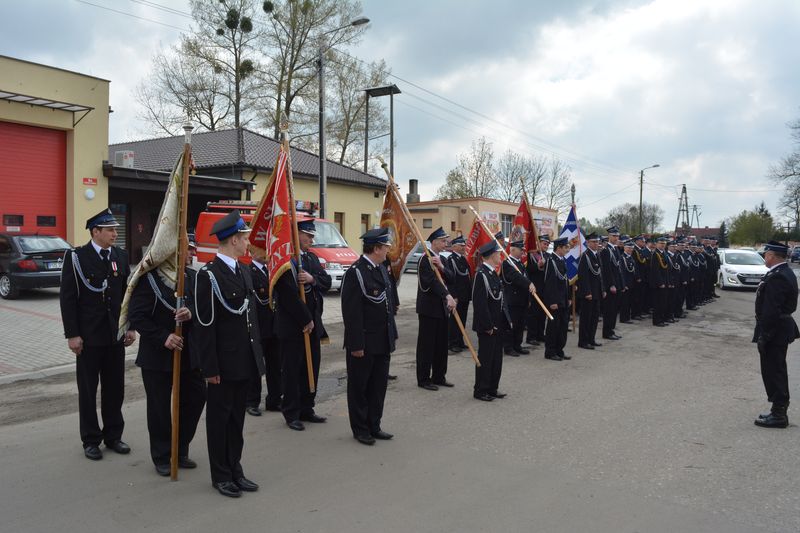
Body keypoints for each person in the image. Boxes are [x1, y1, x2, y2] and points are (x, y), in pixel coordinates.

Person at [192, 209, 265, 498]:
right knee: (219, 420)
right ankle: (220, 474)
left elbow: (251, 320)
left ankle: (235, 468)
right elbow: (204, 329)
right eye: (245, 239)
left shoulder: (244, 270)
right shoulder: (208, 276)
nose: (248, 244)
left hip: (244, 361)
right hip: (222, 364)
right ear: (234, 240)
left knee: (237, 419)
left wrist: (257, 356)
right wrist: (209, 369)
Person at [59, 208, 136, 461]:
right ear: (96, 232)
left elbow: (127, 294)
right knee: (89, 389)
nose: (116, 233)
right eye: (111, 229)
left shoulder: (121, 256)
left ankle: (113, 435)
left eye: (115, 229)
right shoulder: (77, 257)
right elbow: (68, 299)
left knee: (115, 389)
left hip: (115, 335)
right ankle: (91, 439)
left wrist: (130, 326)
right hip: (89, 337)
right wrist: (72, 334)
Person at [129, 236, 205, 476]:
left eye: (191, 250)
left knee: (195, 398)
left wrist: (191, 312)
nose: (191, 254)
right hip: (157, 355)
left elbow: (202, 308)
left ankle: (180, 448)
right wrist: (164, 337)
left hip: (188, 353)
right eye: (186, 250)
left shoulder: (192, 277)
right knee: (160, 408)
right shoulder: (149, 279)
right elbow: (138, 315)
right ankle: (162, 455)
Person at [341, 228, 398, 445]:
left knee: (378, 386)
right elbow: (351, 313)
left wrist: (392, 335)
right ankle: (360, 429)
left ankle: (375, 424)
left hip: (382, 340)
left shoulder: (381, 269)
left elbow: (387, 305)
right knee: (359, 387)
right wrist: (356, 344)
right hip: (364, 341)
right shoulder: (356, 272)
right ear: (376, 249)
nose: (387, 251)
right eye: (385, 247)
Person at [274, 219, 332, 430]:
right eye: (307, 235)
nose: (310, 239)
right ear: (296, 234)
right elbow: (288, 295)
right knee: (292, 370)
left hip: (313, 324)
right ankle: (291, 412)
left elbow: (326, 282)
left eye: (312, 235)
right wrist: (304, 319)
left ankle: (307, 407)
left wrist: (311, 279)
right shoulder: (285, 260)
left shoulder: (311, 258)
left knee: (311, 368)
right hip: (293, 326)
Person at [753, 241, 800, 428]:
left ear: (772, 256)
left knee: (774, 371)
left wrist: (765, 335)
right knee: (775, 369)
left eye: (766, 255)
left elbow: (772, 310)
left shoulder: (778, 276)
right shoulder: (780, 273)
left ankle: (779, 414)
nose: (765, 257)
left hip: (775, 330)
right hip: (778, 328)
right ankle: (777, 411)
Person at [415, 227, 457, 390]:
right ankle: (424, 379)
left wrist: (441, 267)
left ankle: (439, 376)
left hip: (442, 309)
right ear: (433, 242)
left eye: (446, 240)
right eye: (442, 240)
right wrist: (447, 295)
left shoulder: (442, 260)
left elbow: (452, 278)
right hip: (429, 308)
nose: (445, 243)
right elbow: (430, 283)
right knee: (427, 345)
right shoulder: (425, 259)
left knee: (441, 344)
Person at [245, 245, 282, 416]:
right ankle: (252, 401)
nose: (267, 253)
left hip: (274, 326)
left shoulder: (272, 271)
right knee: (254, 366)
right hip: (258, 326)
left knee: (275, 365)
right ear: (252, 252)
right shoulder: (249, 272)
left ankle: (274, 400)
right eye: (261, 249)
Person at [472, 240, 509, 401]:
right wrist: (488, 325)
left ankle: (493, 387)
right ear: (492, 255)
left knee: (496, 359)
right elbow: (480, 304)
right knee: (486, 359)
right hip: (488, 325)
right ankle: (481, 390)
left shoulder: (493, 273)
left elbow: (500, 300)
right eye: (498, 253)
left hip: (498, 324)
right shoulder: (481, 275)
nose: (500, 256)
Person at [502, 240, 538, 356]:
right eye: (520, 249)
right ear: (512, 250)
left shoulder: (521, 264)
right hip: (512, 300)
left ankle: (517, 345)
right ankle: (509, 347)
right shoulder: (507, 263)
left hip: (522, 300)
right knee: (512, 324)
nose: (523, 251)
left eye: (523, 249)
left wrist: (528, 298)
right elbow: (515, 277)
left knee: (520, 325)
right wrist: (529, 283)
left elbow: (524, 277)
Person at [542, 237, 571, 361]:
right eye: (565, 247)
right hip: (555, 301)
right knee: (553, 327)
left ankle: (560, 350)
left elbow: (565, 281)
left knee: (563, 326)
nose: (567, 250)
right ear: (559, 248)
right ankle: (550, 351)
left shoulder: (562, 260)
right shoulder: (551, 261)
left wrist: (568, 297)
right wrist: (552, 301)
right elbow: (549, 284)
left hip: (563, 299)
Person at [577, 233, 604, 349]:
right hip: (588, 293)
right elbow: (583, 276)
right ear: (587, 243)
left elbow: (599, 275)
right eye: (593, 242)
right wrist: (587, 292)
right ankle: (583, 341)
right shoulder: (585, 256)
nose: (596, 244)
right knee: (586, 319)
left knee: (594, 318)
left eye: (597, 242)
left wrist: (602, 289)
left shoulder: (596, 255)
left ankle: (591, 339)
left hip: (596, 292)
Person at [445, 236, 472, 353]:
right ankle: (452, 343)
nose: (463, 247)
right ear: (454, 246)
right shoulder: (451, 260)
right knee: (454, 321)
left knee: (463, 319)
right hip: (457, 296)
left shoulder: (462, 259)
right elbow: (450, 280)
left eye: (464, 245)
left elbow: (467, 277)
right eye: (461, 245)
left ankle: (460, 341)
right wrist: (453, 295)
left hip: (464, 295)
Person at [599, 226, 624, 340]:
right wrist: (611, 285)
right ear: (609, 236)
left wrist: (621, 284)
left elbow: (619, 269)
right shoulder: (606, 251)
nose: (616, 238)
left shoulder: (616, 249)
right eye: (614, 236)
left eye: (617, 236)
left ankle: (611, 330)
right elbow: (607, 270)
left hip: (617, 283)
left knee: (614, 310)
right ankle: (607, 332)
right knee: (609, 310)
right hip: (611, 285)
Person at [525, 235, 550, 346]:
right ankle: (531, 336)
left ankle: (540, 334)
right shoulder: (531, 255)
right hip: (534, 288)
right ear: (538, 243)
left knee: (542, 314)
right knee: (533, 314)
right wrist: (537, 265)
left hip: (545, 289)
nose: (546, 245)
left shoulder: (548, 256)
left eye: (547, 244)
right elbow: (527, 270)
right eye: (544, 243)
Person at [649, 236, 670, 327]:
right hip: (658, 284)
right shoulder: (655, 254)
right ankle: (657, 321)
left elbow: (667, 269)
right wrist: (660, 283)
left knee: (663, 302)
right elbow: (655, 271)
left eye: (664, 244)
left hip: (664, 282)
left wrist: (667, 282)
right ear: (657, 244)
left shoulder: (664, 253)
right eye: (661, 243)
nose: (663, 245)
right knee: (657, 303)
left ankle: (661, 319)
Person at [618, 240, 636, 324]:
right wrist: (623, 284)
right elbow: (621, 272)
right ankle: (623, 318)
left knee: (629, 301)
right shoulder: (622, 258)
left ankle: (627, 317)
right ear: (625, 248)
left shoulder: (630, 257)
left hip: (631, 283)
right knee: (624, 302)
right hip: (625, 284)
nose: (630, 250)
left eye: (632, 248)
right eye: (629, 248)